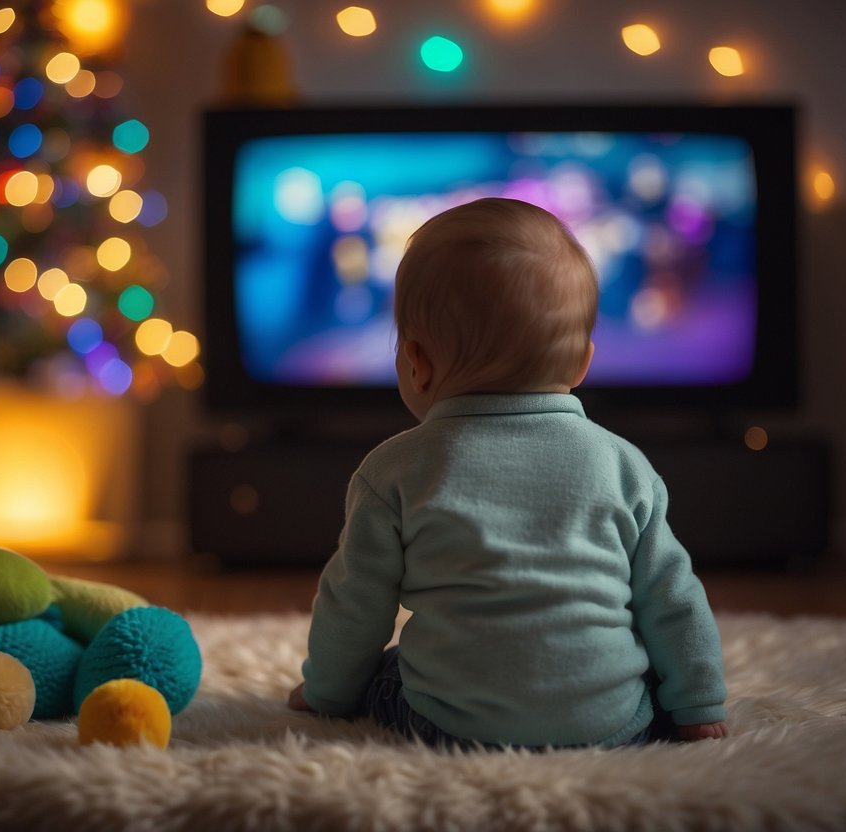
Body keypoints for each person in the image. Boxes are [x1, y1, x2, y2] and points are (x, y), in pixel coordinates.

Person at [287, 197, 728, 749]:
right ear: (583, 362)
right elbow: (672, 596)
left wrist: (325, 696)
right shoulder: (624, 465)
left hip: (450, 729)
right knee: (638, 650)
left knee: (390, 667)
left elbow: (355, 607)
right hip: (610, 726)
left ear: (416, 363)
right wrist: (698, 705)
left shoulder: (394, 471)